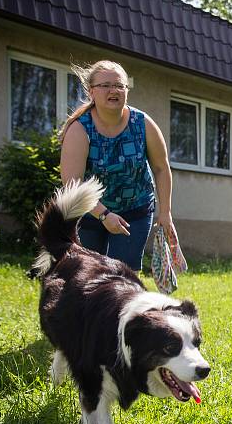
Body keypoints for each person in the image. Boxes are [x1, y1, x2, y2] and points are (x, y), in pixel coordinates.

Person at [59, 60, 175, 271]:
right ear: (91, 92)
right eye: (106, 85)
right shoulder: (79, 129)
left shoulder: (143, 123)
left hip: (135, 210)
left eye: (120, 85)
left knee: (123, 277)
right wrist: (104, 215)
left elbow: (161, 167)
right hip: (89, 212)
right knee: (88, 276)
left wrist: (165, 212)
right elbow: (72, 183)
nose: (114, 90)